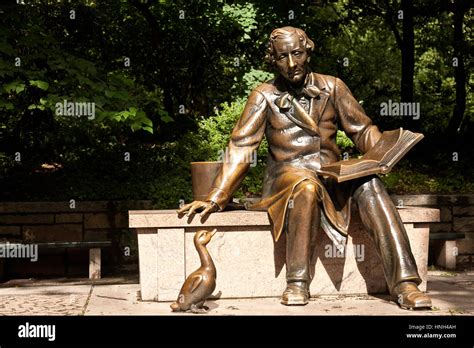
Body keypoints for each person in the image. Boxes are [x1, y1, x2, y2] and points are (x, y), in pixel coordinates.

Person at [178, 26, 431, 309]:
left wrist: (385, 152)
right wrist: (216, 195)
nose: (291, 63)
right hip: (287, 178)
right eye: (282, 56)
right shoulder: (264, 95)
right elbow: (241, 146)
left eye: (296, 54)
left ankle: (405, 284)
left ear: (307, 51)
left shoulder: (333, 86)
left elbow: (362, 131)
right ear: (272, 59)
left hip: (331, 175)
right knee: (306, 186)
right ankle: (297, 282)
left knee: (370, 183)